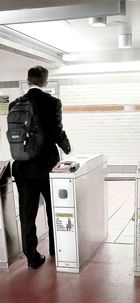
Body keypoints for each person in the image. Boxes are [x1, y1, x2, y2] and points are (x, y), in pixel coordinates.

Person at [9, 66, 71, 269]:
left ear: (28, 80)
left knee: (27, 214)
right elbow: (56, 131)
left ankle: (32, 257)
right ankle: (56, 248)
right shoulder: (52, 103)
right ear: (45, 81)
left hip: (22, 167)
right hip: (47, 166)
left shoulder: (14, 104)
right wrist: (67, 147)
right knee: (54, 209)